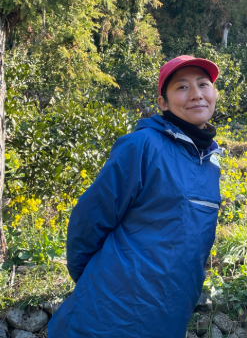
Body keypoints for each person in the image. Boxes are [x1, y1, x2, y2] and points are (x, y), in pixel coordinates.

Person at [49, 55, 222, 338]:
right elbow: (90, 219)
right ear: (163, 103)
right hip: (111, 309)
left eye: (203, 84)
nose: (196, 94)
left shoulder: (210, 163)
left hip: (170, 310)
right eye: (182, 87)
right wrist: (94, 278)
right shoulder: (143, 145)